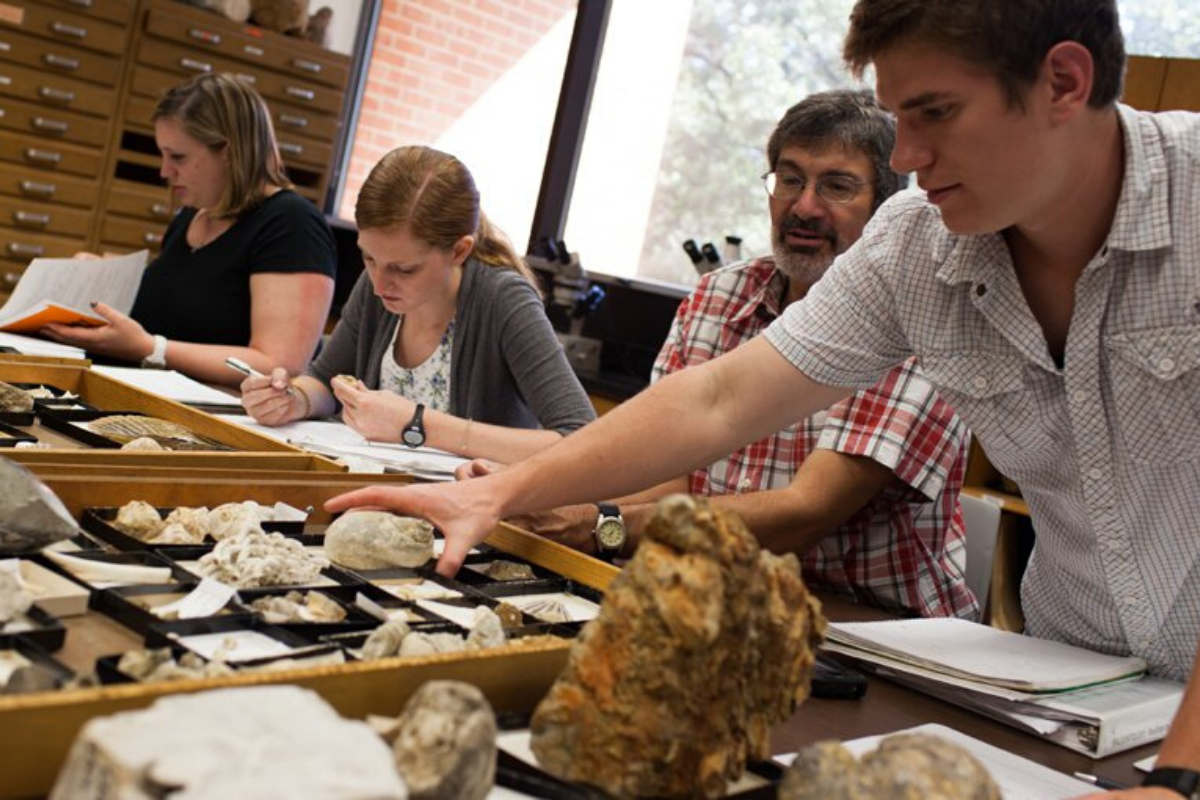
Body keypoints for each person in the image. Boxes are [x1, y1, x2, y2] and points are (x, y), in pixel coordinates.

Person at [327, 2, 1200, 794]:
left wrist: (1184, 777)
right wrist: (498, 492)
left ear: (1062, 81)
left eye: (934, 114)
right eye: (898, 121)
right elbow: (721, 402)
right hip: (1067, 696)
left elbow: (805, 502)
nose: (906, 158)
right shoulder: (919, 245)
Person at [479, 90, 976, 620]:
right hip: (719, 599)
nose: (803, 207)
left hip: (870, 632)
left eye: (836, 186)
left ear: (885, 209)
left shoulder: (917, 317)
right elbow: (671, 473)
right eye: (789, 179)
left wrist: (596, 524)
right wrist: (544, 500)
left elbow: (806, 512)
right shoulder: (719, 296)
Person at [240, 145, 596, 463]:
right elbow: (323, 380)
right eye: (369, 259)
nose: (380, 283)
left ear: (459, 251)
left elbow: (581, 441)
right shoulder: (380, 284)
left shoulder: (502, 299)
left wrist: (418, 423)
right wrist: (293, 400)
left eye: (404, 268)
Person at [43, 73, 336, 387]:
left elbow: (279, 366)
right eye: (163, 154)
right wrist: (100, 278)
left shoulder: (292, 224)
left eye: (178, 157)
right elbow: (188, 298)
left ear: (229, 151)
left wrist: (151, 349)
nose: (165, 171)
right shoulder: (193, 215)